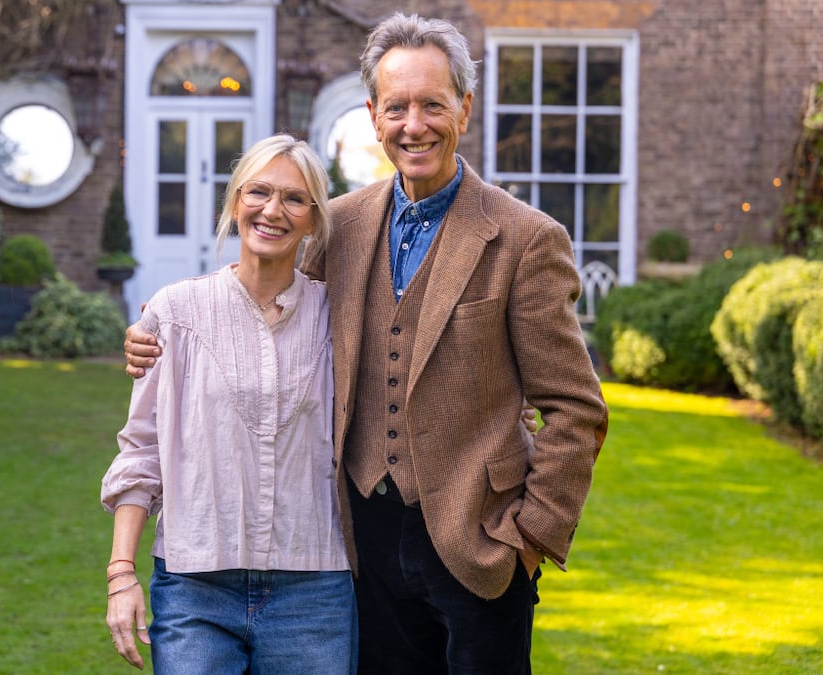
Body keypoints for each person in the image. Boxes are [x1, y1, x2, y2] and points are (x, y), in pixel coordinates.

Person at [125, 13, 610, 674]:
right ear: (374, 117)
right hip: (361, 542)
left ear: (465, 109)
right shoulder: (340, 225)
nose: (415, 125)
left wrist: (529, 538)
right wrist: (163, 324)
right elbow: (273, 303)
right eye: (397, 107)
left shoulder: (526, 238)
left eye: (432, 105)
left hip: (482, 538)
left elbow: (576, 408)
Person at [102, 134, 357, 674]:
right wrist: (121, 573)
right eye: (258, 192)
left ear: (314, 220)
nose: (273, 210)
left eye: (294, 198)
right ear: (235, 203)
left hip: (313, 589)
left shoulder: (339, 318)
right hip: (194, 589)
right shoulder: (176, 313)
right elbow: (141, 452)